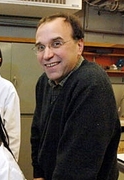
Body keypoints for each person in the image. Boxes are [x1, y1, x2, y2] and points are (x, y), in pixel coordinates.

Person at [30, 12, 121, 180]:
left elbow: (78, 167)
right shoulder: (44, 82)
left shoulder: (91, 84)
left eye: (56, 44)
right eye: (41, 47)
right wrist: (38, 174)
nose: (46, 55)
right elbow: (37, 134)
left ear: (79, 46)